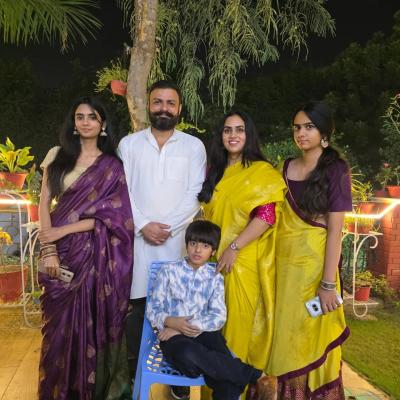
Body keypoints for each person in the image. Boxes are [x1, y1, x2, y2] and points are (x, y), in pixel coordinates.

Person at [37, 96, 134, 400]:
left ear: (102, 124)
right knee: (58, 328)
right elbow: (43, 203)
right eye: (80, 117)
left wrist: (63, 229)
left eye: (92, 117)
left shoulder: (112, 166)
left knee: (90, 324)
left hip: (94, 255)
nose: (86, 122)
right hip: (59, 251)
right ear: (74, 123)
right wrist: (49, 248)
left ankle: (89, 390)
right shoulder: (57, 156)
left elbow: (114, 217)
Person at [118, 80, 206, 399]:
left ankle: (178, 381)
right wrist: (144, 225)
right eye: (158, 102)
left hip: (177, 246)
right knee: (138, 315)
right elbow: (122, 190)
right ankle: (135, 378)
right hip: (139, 246)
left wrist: (164, 227)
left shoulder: (193, 146)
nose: (164, 108)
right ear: (148, 105)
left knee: (180, 315)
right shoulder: (129, 144)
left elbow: (195, 193)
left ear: (179, 108)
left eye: (170, 103)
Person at [267, 101, 352, 399]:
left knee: (311, 337)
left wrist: (327, 285)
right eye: (297, 127)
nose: (301, 133)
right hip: (283, 272)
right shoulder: (285, 167)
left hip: (316, 272)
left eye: (309, 127)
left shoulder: (336, 170)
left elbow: (335, 231)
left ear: (324, 132)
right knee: (284, 336)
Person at [198, 111, 286, 396]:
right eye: (227, 130)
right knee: (212, 333)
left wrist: (234, 248)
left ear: (249, 135)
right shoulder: (217, 171)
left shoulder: (261, 172)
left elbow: (266, 215)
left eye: (239, 129)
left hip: (242, 261)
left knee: (236, 331)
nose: (233, 135)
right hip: (213, 262)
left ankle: (232, 391)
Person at [146, 220, 274, 400]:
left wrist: (183, 326)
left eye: (205, 246)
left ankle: (227, 369)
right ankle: (254, 375)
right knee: (188, 354)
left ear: (213, 251)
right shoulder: (168, 271)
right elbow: (153, 309)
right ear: (187, 245)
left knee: (226, 382)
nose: (198, 250)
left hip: (205, 334)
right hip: (173, 337)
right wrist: (171, 322)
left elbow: (218, 316)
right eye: (193, 243)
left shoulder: (215, 277)